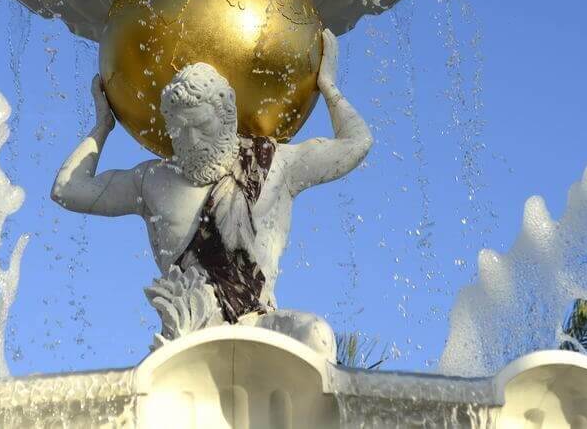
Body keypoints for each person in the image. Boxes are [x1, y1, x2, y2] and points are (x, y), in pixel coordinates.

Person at [51, 29, 372, 358]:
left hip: (258, 324)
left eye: (202, 127)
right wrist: (102, 127)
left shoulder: (274, 164)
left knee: (314, 334)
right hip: (188, 335)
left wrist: (328, 87)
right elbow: (67, 190)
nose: (192, 141)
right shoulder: (152, 180)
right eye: (180, 130)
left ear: (227, 116)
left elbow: (357, 143)